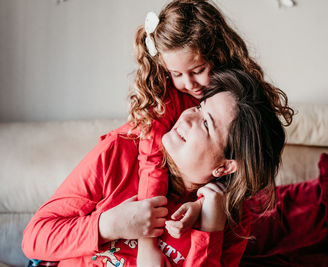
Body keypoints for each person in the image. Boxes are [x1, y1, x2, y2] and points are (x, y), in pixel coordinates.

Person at [22, 68, 290, 266]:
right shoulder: (122, 151)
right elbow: (34, 238)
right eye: (198, 107)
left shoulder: (230, 219)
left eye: (206, 124)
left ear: (225, 166)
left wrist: (210, 231)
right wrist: (109, 224)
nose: (187, 118)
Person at [127, 0, 293, 263]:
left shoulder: (236, 95)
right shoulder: (165, 101)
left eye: (197, 71)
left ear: (216, 53)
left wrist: (204, 205)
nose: (188, 84)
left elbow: (236, 163)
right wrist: (148, 243)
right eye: (176, 74)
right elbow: (152, 165)